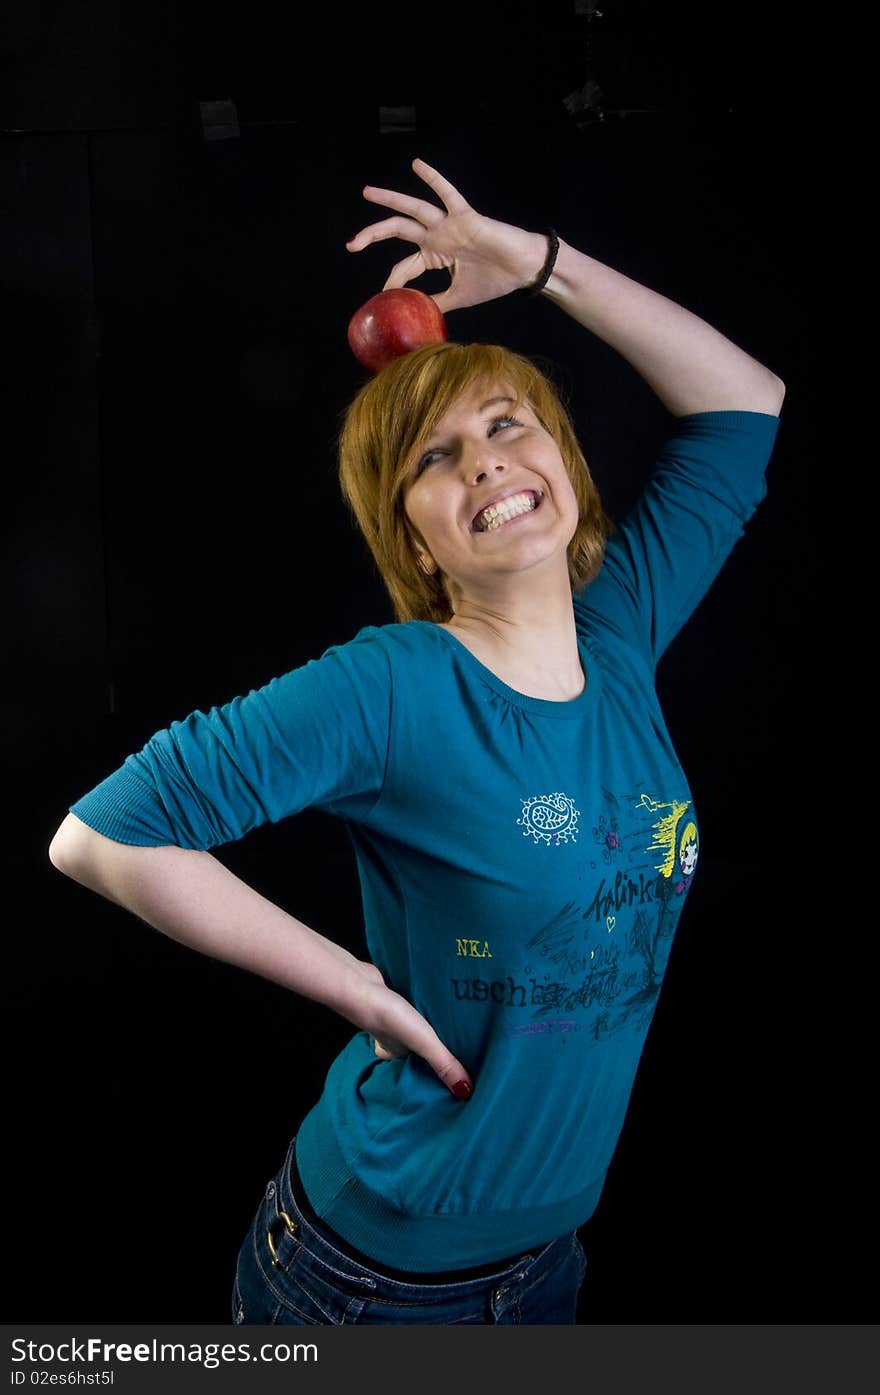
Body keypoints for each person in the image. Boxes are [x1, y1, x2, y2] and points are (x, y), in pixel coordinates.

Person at [47, 157, 785, 1325]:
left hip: (545, 1262)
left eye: (506, 425)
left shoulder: (622, 629)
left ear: (567, 470)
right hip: (370, 1281)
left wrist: (537, 265)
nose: (486, 460)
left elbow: (744, 403)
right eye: (434, 458)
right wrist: (357, 990)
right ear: (418, 539)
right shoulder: (394, 687)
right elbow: (97, 838)